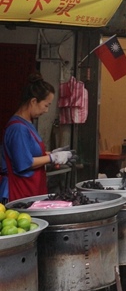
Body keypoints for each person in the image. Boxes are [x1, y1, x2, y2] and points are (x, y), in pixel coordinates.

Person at [2, 74, 70, 202]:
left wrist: (53, 154)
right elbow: (24, 162)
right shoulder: (18, 128)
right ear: (33, 101)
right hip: (20, 192)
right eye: (46, 105)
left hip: (31, 191)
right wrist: (51, 158)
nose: (46, 110)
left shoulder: (28, 124)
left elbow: (29, 152)